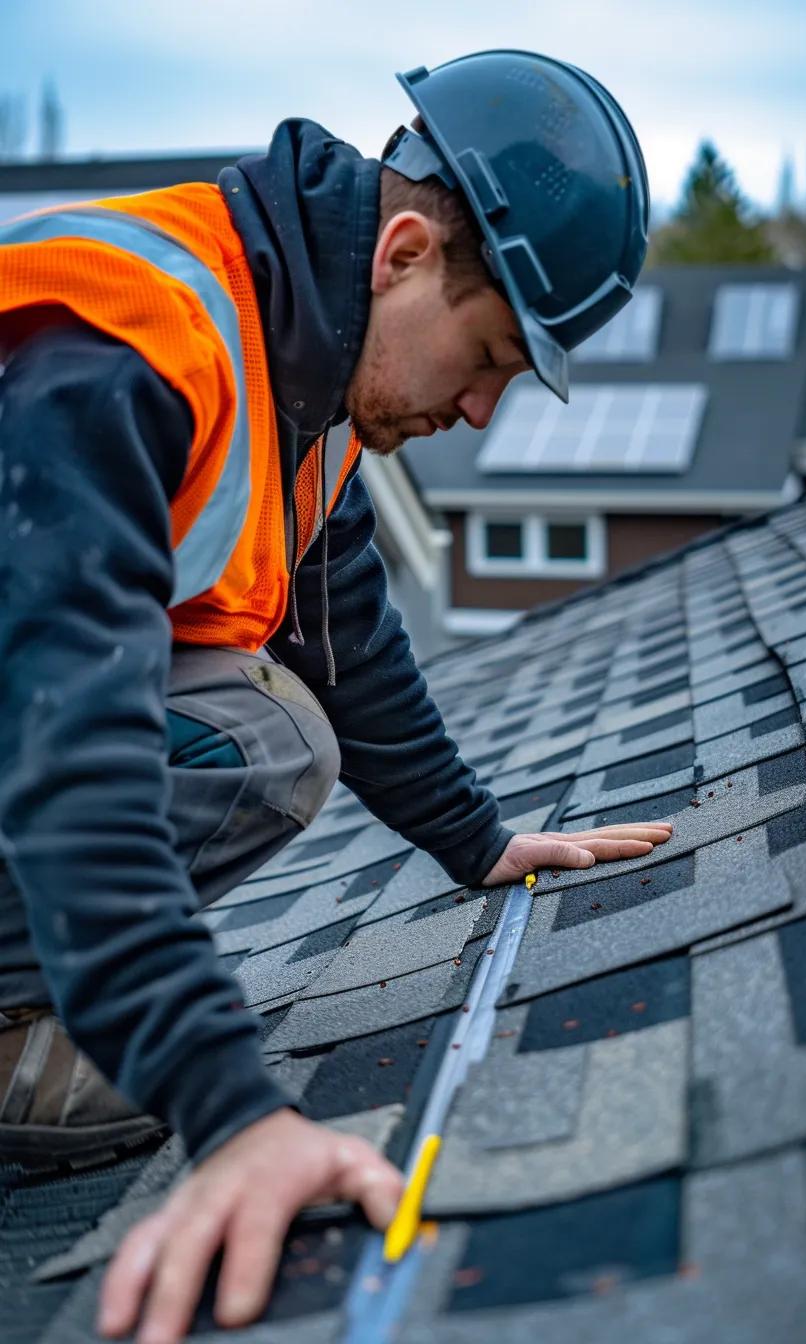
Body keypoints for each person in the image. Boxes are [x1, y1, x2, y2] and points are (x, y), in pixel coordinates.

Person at [0, 49, 669, 1343]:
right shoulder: (132, 347)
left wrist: (474, 840)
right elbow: (70, 742)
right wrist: (236, 1116)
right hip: (40, 739)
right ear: (404, 255)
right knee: (267, 737)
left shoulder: (301, 385)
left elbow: (343, 634)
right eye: (490, 355)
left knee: (280, 713)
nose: (481, 409)